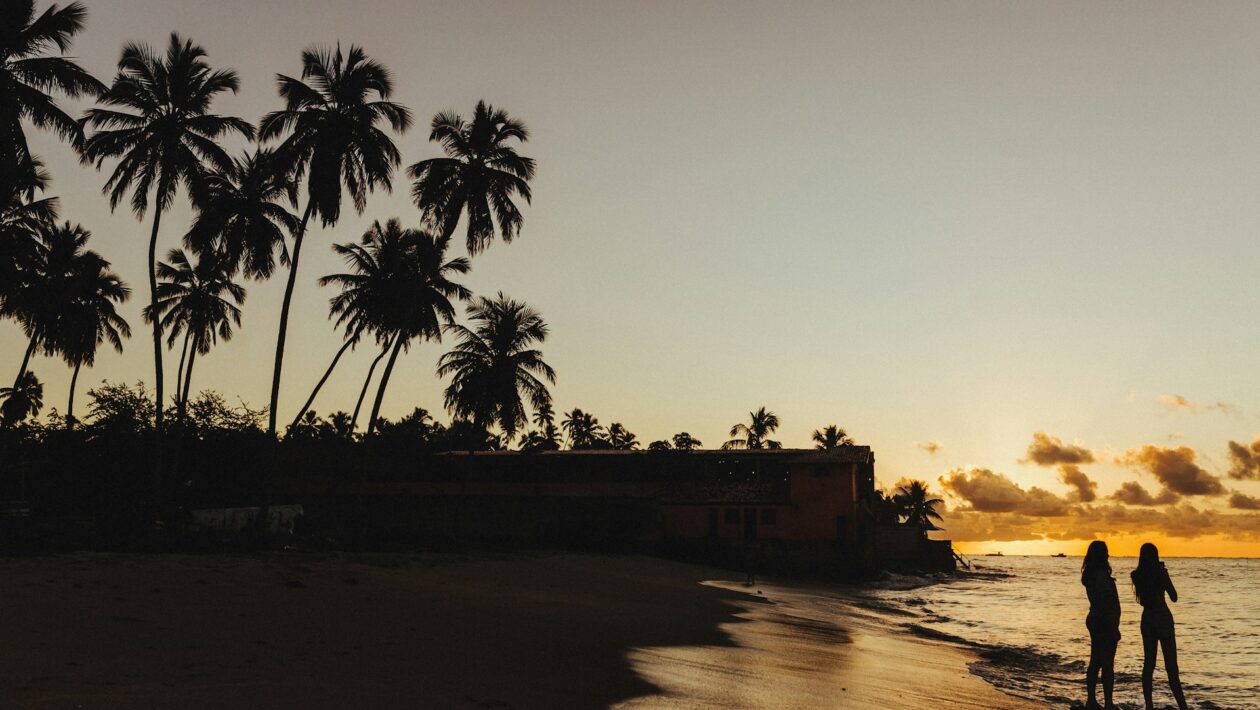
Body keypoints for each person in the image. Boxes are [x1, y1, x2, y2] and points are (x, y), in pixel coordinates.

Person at [1131, 543, 1189, 710]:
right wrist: (1165, 575)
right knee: (1172, 667)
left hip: (1148, 618)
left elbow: (1143, 600)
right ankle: (1183, 707)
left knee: (1149, 664)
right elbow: (1174, 597)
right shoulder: (1161, 574)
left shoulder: (1136, 575)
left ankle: (1149, 706)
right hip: (1163, 618)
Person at [1081, 540, 1121, 709]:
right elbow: (1106, 602)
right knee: (1107, 663)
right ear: (1101, 555)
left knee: (1096, 661)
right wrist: (1113, 627)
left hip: (1095, 618)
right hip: (1103, 621)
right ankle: (1108, 703)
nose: (1108, 555)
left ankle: (1091, 700)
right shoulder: (1101, 576)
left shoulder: (1092, 575)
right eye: (1106, 552)